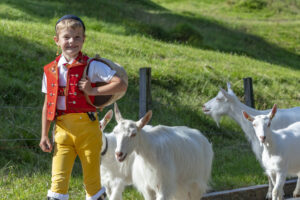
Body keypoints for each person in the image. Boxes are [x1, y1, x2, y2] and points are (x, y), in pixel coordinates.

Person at [39, 15, 127, 200]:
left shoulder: (91, 65)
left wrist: (92, 89)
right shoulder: (50, 70)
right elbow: (48, 104)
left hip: (88, 130)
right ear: (57, 41)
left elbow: (120, 84)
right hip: (61, 130)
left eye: (77, 37)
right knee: (58, 182)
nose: (72, 42)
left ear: (83, 39)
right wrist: (44, 135)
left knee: (92, 182)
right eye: (67, 37)